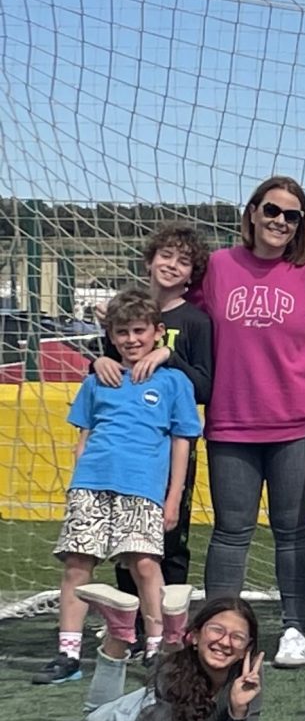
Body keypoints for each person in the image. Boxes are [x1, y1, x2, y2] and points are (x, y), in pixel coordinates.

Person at [195, 175, 305, 667]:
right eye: (272, 210)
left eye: (292, 215)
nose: (280, 221)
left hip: (295, 426)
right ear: (252, 212)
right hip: (231, 424)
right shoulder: (218, 267)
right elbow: (171, 309)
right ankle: (219, 632)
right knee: (230, 533)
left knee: (292, 531)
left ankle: (294, 628)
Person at [35, 287, 202, 684]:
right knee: (78, 564)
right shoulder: (99, 379)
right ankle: (68, 653)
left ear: (157, 332)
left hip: (142, 488)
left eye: (139, 331)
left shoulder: (174, 382)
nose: (131, 339)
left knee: (145, 564)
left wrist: (174, 497)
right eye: (122, 332)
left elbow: (182, 443)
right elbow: (84, 438)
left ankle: (156, 647)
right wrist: (77, 484)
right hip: (91, 486)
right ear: (111, 336)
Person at [92, 223, 213, 609]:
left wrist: (167, 355)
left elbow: (205, 386)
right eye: (166, 255)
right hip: (124, 449)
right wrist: (97, 362)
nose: (172, 265)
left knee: (168, 535)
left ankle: (167, 625)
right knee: (125, 538)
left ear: (192, 274)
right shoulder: (125, 313)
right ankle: (129, 622)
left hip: (169, 449)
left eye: (183, 261)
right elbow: (109, 369)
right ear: (149, 261)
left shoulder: (196, 322)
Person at [81, 592, 286, 721]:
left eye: (237, 637)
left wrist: (238, 710)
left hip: (171, 691)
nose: (225, 642)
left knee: (172, 677)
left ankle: (173, 633)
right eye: (217, 630)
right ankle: (120, 631)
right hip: (136, 719)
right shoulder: (171, 675)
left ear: (246, 649)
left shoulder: (249, 676)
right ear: (195, 636)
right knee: (93, 715)